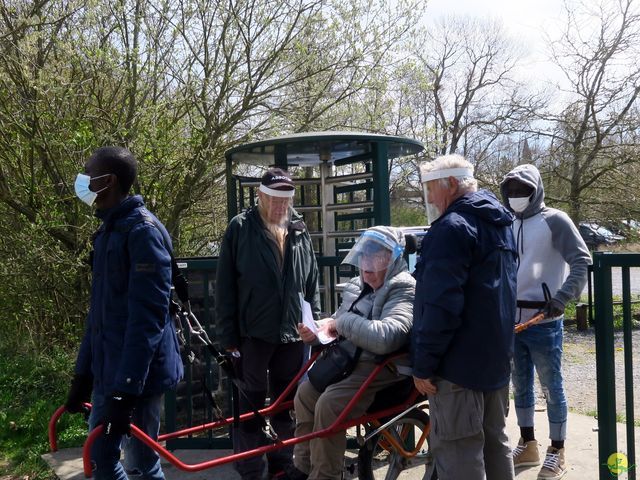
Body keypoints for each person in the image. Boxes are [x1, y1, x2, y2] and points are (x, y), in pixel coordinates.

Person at [64, 146, 184, 479]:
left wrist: (126, 390)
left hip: (140, 378)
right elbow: (99, 315)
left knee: (137, 463)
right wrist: (82, 375)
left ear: (108, 181)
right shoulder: (107, 232)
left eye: (88, 174)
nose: (83, 181)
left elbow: (147, 320)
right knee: (103, 457)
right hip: (110, 371)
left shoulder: (141, 233)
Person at [412, 154, 518, 480]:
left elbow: (441, 306)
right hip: (495, 361)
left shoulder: (450, 228)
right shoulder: (500, 224)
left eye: (432, 189)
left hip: (458, 368)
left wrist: (424, 363)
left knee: (459, 453)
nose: (429, 198)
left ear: (453, 184)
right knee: (495, 445)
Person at [214, 167, 321, 480]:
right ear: (260, 195)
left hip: (292, 335)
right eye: (273, 197)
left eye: (285, 198)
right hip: (252, 334)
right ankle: (249, 468)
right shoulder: (240, 228)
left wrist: (310, 324)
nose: (279, 205)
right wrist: (228, 337)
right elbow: (225, 288)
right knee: (249, 406)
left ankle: (281, 465)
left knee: (287, 404)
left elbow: (311, 283)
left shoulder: (300, 229)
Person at [290, 226, 415, 480]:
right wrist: (317, 332)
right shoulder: (358, 285)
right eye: (364, 257)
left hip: (381, 366)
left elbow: (387, 337)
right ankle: (302, 467)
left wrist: (341, 323)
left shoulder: (403, 286)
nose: (367, 264)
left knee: (329, 405)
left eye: (376, 257)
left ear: (392, 259)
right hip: (348, 360)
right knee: (304, 394)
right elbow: (337, 321)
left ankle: (325, 475)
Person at [500, 164, 591, 479]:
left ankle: (558, 449)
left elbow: (581, 260)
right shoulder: (507, 222)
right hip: (512, 320)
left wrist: (563, 297)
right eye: (510, 191)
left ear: (535, 189)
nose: (515, 196)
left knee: (552, 386)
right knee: (519, 385)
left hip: (545, 318)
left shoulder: (555, 220)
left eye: (521, 190)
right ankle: (528, 443)